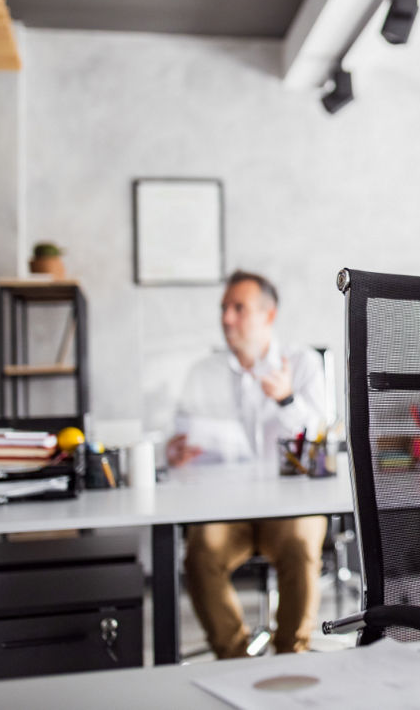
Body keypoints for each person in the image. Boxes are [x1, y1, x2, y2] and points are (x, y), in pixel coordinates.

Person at [168, 270, 330, 657]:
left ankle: (292, 654)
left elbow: (319, 438)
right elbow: (177, 436)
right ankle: (233, 658)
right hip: (225, 508)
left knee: (301, 542)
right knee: (200, 551)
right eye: (225, 308)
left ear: (268, 315)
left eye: (238, 308)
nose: (226, 318)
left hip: (290, 503)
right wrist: (173, 452)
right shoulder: (201, 373)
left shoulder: (302, 363)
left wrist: (287, 399)